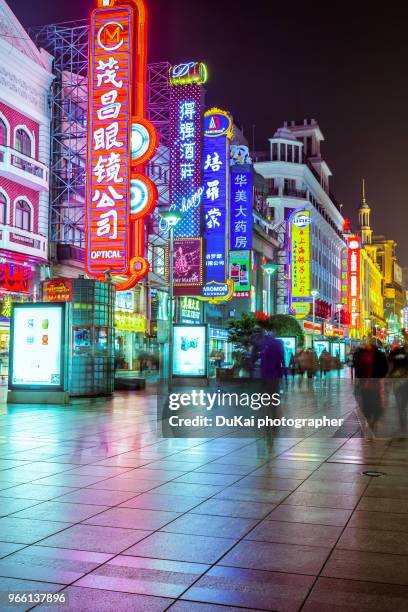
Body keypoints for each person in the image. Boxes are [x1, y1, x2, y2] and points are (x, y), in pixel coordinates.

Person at [353, 337, 388, 437]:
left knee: (374, 404)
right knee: (368, 404)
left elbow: (384, 368)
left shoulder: (378, 355)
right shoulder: (362, 354)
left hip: (373, 384)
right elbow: (357, 366)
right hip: (366, 384)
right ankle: (369, 422)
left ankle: (372, 422)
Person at [388, 344, 408, 434]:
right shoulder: (405, 356)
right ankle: (403, 425)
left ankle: (402, 426)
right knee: (402, 404)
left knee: (401, 406)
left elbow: (390, 366)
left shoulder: (393, 356)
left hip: (398, 383)